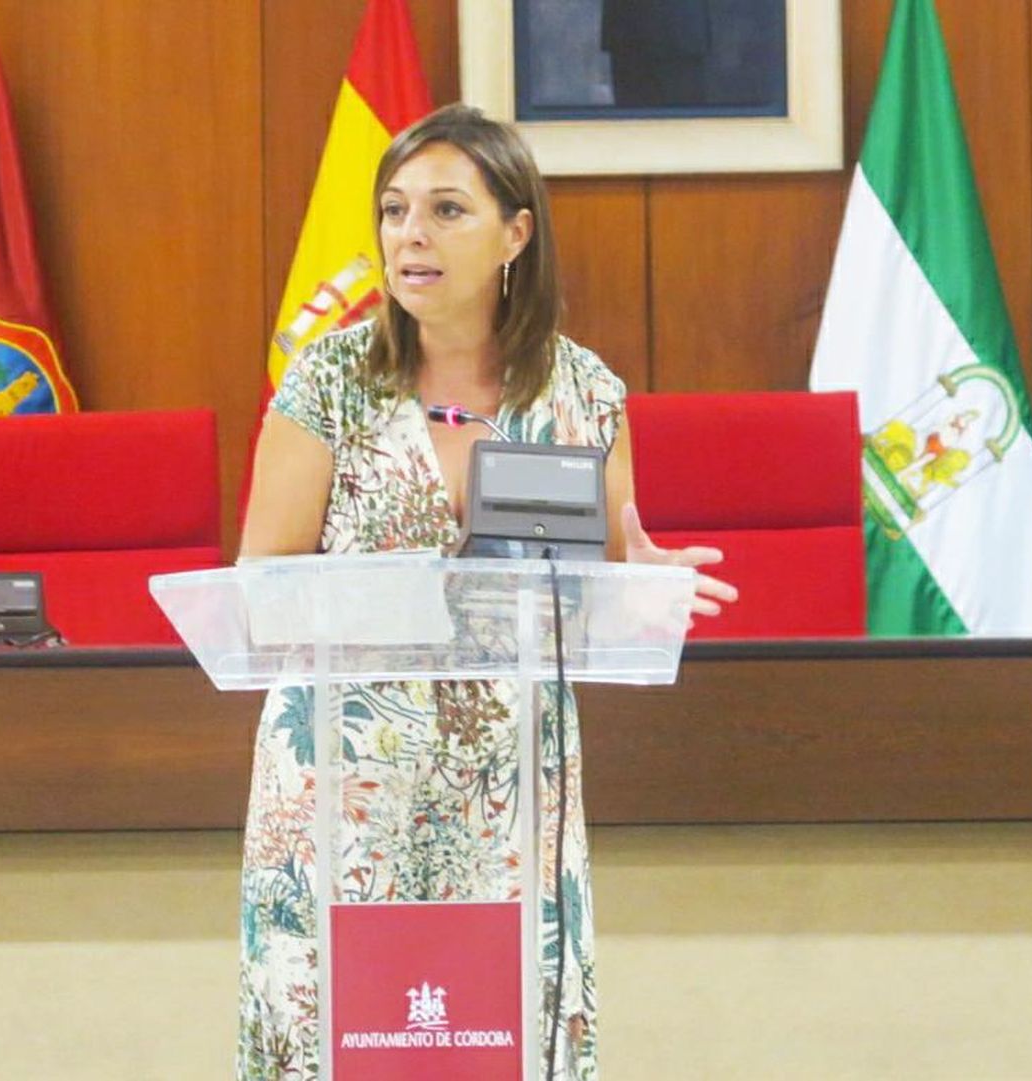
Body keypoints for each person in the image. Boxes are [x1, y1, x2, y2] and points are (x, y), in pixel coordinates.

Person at [236, 102, 736, 1079]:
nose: (409, 234)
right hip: (345, 786)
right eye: (392, 210)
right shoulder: (329, 381)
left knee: (496, 1038)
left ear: (516, 232)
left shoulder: (584, 392)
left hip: (509, 791)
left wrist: (645, 585)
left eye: (445, 210)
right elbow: (264, 588)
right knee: (341, 1041)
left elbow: (597, 588)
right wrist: (419, 587)